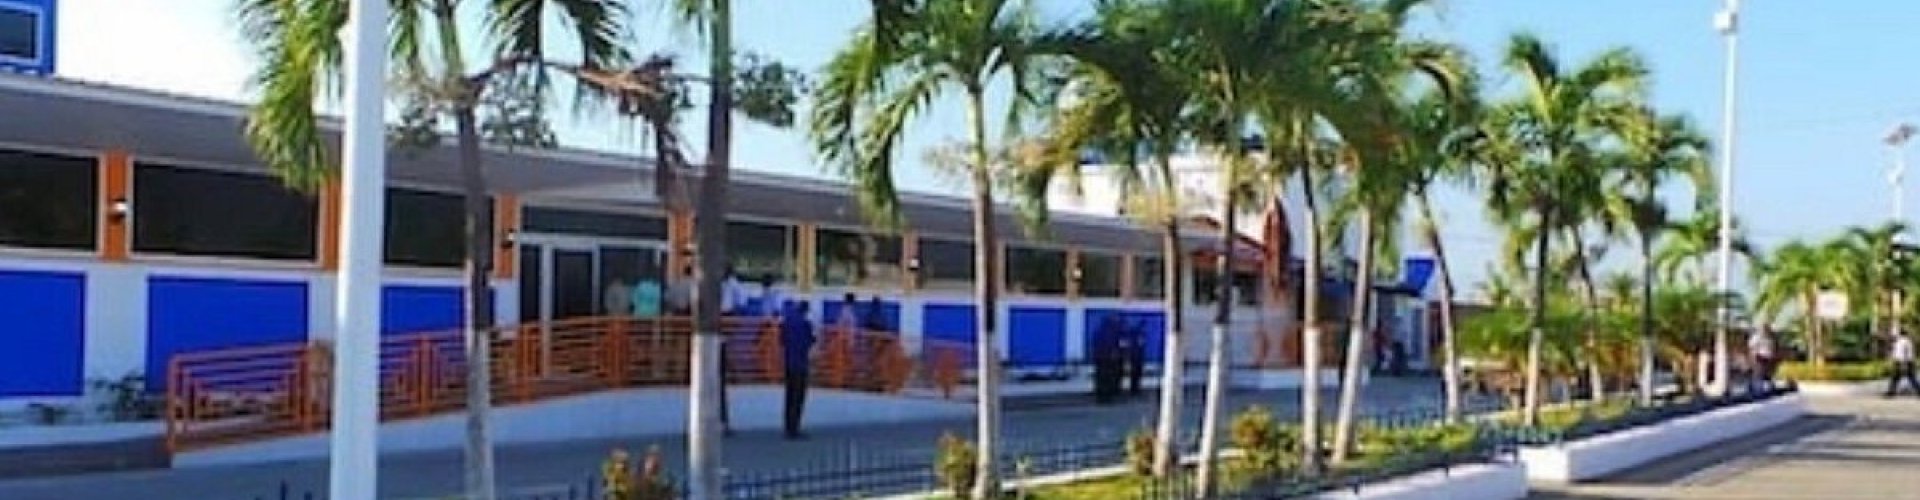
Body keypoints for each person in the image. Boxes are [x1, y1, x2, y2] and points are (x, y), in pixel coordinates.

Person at [781, 302, 817, 439]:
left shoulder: (787, 322)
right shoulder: (806, 324)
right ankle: (794, 427)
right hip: (801, 365)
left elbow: (782, 340)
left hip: (789, 363)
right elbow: (811, 341)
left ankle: (788, 426)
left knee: (789, 396)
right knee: (798, 397)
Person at [1092, 315, 1124, 404]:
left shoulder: (1099, 331)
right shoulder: (1111, 332)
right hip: (1107, 358)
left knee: (1101, 377)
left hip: (1100, 357)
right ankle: (1106, 396)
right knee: (1107, 377)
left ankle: (1101, 396)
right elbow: (1113, 344)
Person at [1888, 331, 1919, 398]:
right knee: (1897, 377)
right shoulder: (1905, 341)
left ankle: (1891, 392)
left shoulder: (1903, 342)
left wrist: (1903, 364)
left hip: (1903, 362)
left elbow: (1904, 352)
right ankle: (1891, 392)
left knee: (1909, 377)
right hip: (1906, 361)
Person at [1749, 327, 1777, 393]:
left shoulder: (1769, 338)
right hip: (1759, 357)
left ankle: (1768, 388)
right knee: (1758, 373)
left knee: (1767, 373)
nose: (1764, 331)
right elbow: (1752, 346)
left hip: (1768, 357)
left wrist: (1772, 354)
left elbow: (1772, 347)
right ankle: (1757, 389)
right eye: (1763, 329)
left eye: (1766, 329)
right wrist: (1754, 354)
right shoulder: (1756, 337)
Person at [1125, 318, 1147, 397]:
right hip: (1136, 357)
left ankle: (1135, 390)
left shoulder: (1134, 334)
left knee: (1135, 374)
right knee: (1136, 374)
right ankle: (1135, 390)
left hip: (1135, 356)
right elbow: (1141, 344)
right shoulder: (1139, 334)